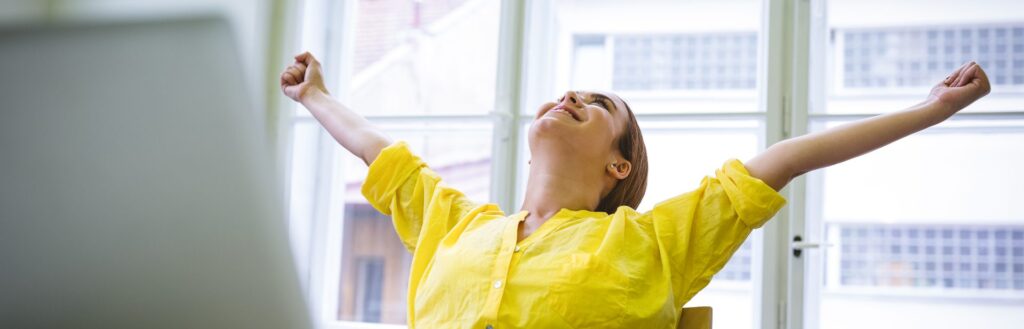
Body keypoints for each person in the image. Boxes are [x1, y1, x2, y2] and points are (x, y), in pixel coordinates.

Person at [280, 52, 990, 328]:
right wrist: (315, 95)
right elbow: (382, 153)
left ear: (620, 166)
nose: (569, 96)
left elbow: (782, 161)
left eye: (597, 104)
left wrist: (929, 110)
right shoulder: (457, 222)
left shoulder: (650, 243)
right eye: (569, 93)